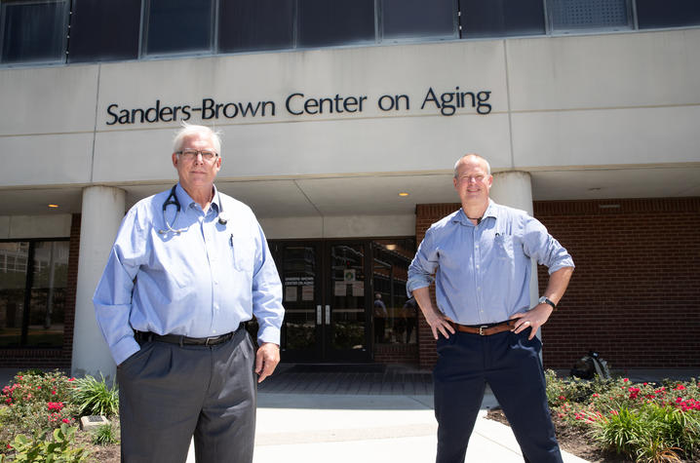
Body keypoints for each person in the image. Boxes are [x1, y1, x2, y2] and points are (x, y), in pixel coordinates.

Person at [93, 123, 284, 463]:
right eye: (190, 153)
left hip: (233, 360)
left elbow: (265, 281)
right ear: (176, 160)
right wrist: (129, 357)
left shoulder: (242, 216)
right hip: (162, 362)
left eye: (207, 154)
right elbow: (111, 293)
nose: (199, 160)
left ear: (218, 163)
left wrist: (270, 337)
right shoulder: (145, 215)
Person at [407, 154, 574, 463]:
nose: (473, 182)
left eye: (478, 176)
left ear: (489, 181)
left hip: (513, 343)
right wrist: (430, 314)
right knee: (450, 442)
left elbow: (561, 261)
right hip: (459, 346)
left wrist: (545, 306)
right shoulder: (439, 232)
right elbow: (417, 273)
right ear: (456, 184)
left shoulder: (520, 222)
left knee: (539, 437)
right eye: (466, 177)